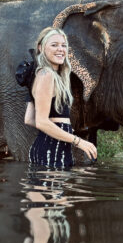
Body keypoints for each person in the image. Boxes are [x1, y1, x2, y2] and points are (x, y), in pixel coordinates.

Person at [24, 27, 97, 169]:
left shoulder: (40, 75)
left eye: (64, 45)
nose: (60, 49)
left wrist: (62, 131)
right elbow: (41, 122)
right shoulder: (47, 75)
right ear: (41, 48)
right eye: (54, 45)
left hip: (47, 149)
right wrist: (78, 141)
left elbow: (29, 119)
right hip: (53, 151)